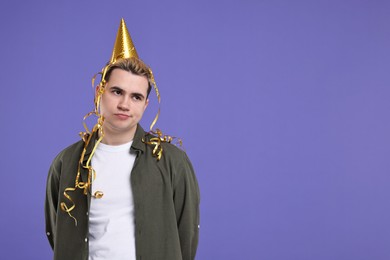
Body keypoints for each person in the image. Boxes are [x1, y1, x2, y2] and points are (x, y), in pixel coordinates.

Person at [45, 18, 200, 260]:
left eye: (136, 97)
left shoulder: (172, 162)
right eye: (117, 91)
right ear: (100, 92)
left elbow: (186, 236)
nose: (125, 104)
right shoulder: (67, 162)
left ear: (146, 104)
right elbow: (59, 233)